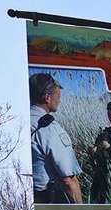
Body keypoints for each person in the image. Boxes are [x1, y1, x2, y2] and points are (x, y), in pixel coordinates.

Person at [29, 73, 82, 203]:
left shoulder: (18, 118)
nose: (59, 100)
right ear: (47, 98)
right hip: (45, 202)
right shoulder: (49, 129)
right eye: (57, 96)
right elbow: (69, 181)